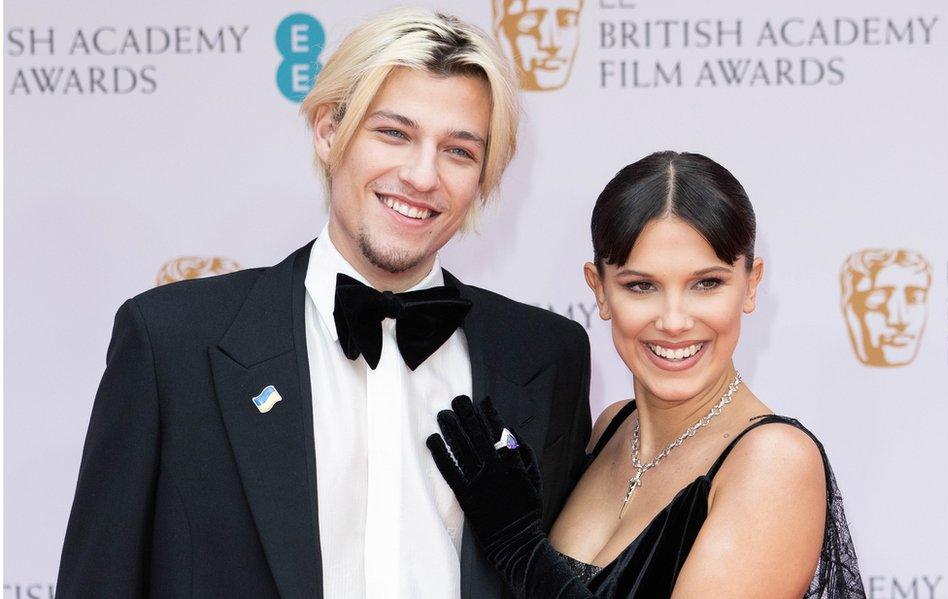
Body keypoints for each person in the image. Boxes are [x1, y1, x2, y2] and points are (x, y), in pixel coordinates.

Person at [56, 8, 592, 599]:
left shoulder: (547, 357)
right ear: (329, 130)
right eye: (394, 133)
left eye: (458, 151)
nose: (421, 176)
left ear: (487, 176)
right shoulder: (172, 343)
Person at [429, 151, 866, 598]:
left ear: (751, 284)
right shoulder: (611, 428)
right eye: (641, 286)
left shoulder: (774, 461)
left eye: (707, 283)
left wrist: (521, 548)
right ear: (599, 290)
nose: (674, 321)